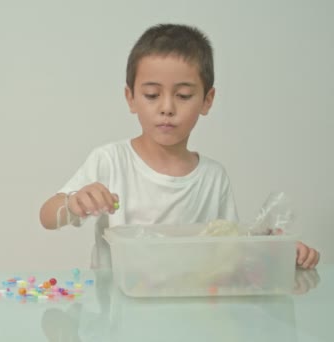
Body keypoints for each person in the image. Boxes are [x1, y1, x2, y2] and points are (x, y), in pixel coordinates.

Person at [39, 23, 320, 270]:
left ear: (207, 100)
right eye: (152, 95)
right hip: (119, 313)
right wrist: (74, 203)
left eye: (183, 95)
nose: (167, 108)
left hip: (189, 311)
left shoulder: (213, 177)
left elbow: (233, 248)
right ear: (131, 98)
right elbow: (47, 217)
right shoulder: (111, 160)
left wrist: (279, 253)